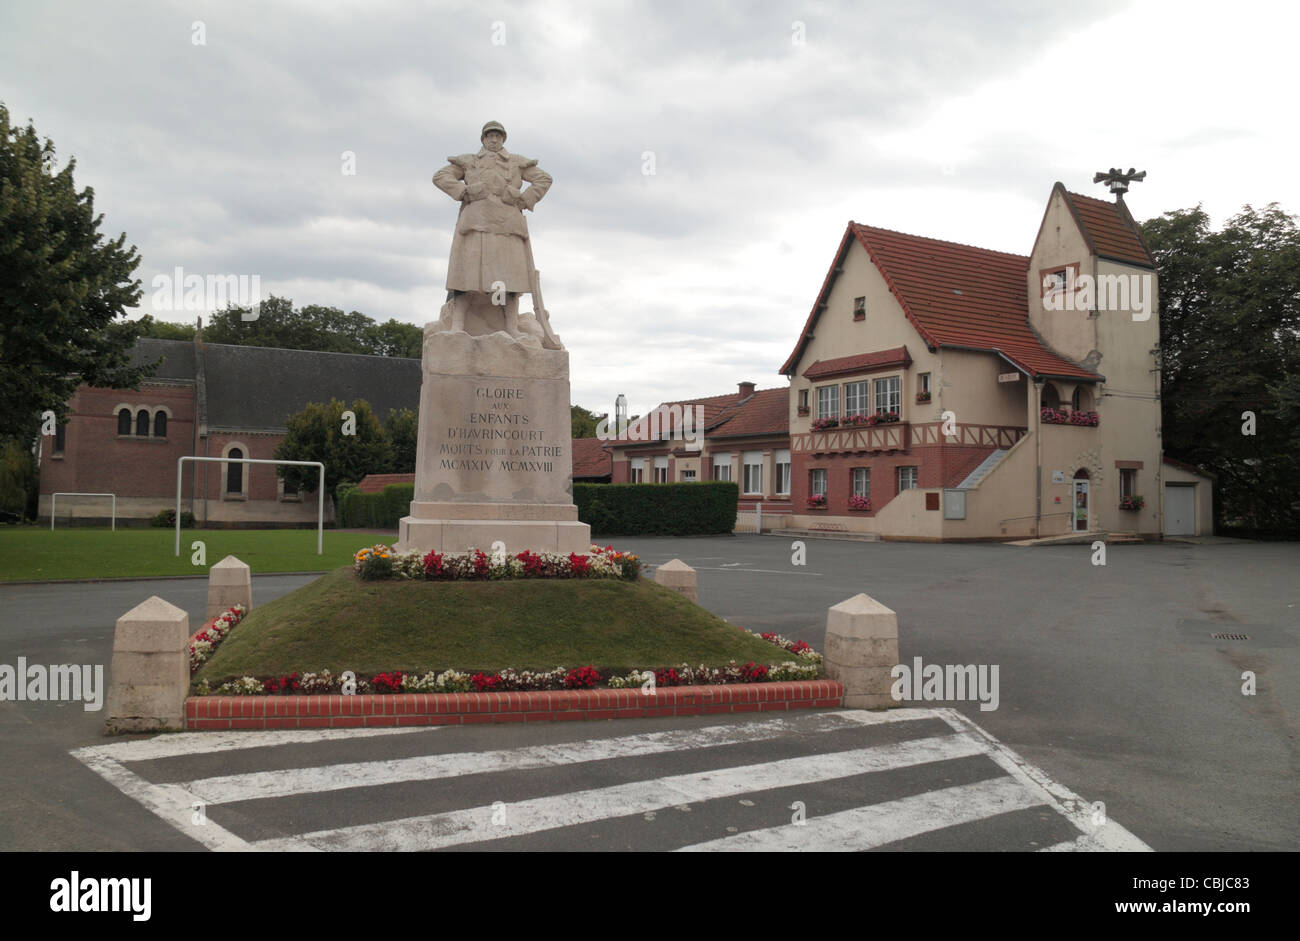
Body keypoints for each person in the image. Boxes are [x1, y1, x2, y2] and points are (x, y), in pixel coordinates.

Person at [432, 121, 552, 338]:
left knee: (511, 279)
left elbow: (543, 179)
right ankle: (457, 326)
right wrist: (463, 190)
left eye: (498, 136)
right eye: (490, 136)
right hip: (475, 224)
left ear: (503, 139)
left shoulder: (516, 162)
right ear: (483, 139)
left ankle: (511, 327)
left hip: (508, 225)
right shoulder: (468, 161)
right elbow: (441, 176)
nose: (494, 140)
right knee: (465, 276)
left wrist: (524, 199)